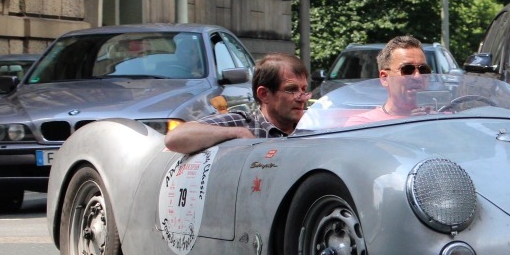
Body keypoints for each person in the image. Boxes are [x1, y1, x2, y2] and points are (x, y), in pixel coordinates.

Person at [164, 53, 309, 153]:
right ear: (264, 94)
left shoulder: (313, 124)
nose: (302, 98)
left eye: (304, 89)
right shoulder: (244, 123)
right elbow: (174, 138)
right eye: (291, 90)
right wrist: (238, 133)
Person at [343, 35, 432, 126]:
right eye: (407, 70)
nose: (418, 76)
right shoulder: (362, 125)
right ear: (384, 78)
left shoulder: (440, 119)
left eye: (423, 70)